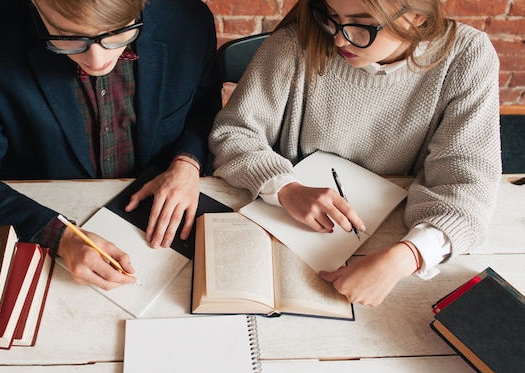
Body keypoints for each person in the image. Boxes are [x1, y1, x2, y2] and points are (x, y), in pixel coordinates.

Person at [209, 0, 501, 306]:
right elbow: (234, 133)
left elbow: (468, 186)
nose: (339, 39)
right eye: (332, 17)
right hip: (289, 232)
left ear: (415, 15)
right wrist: (285, 187)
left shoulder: (467, 55)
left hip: (395, 237)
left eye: (361, 24)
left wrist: (408, 256)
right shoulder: (296, 42)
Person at [0, 0, 220, 290]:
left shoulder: (188, 19)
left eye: (117, 33)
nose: (97, 60)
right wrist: (61, 237)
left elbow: (204, 107)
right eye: (67, 37)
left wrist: (187, 160)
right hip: (46, 213)